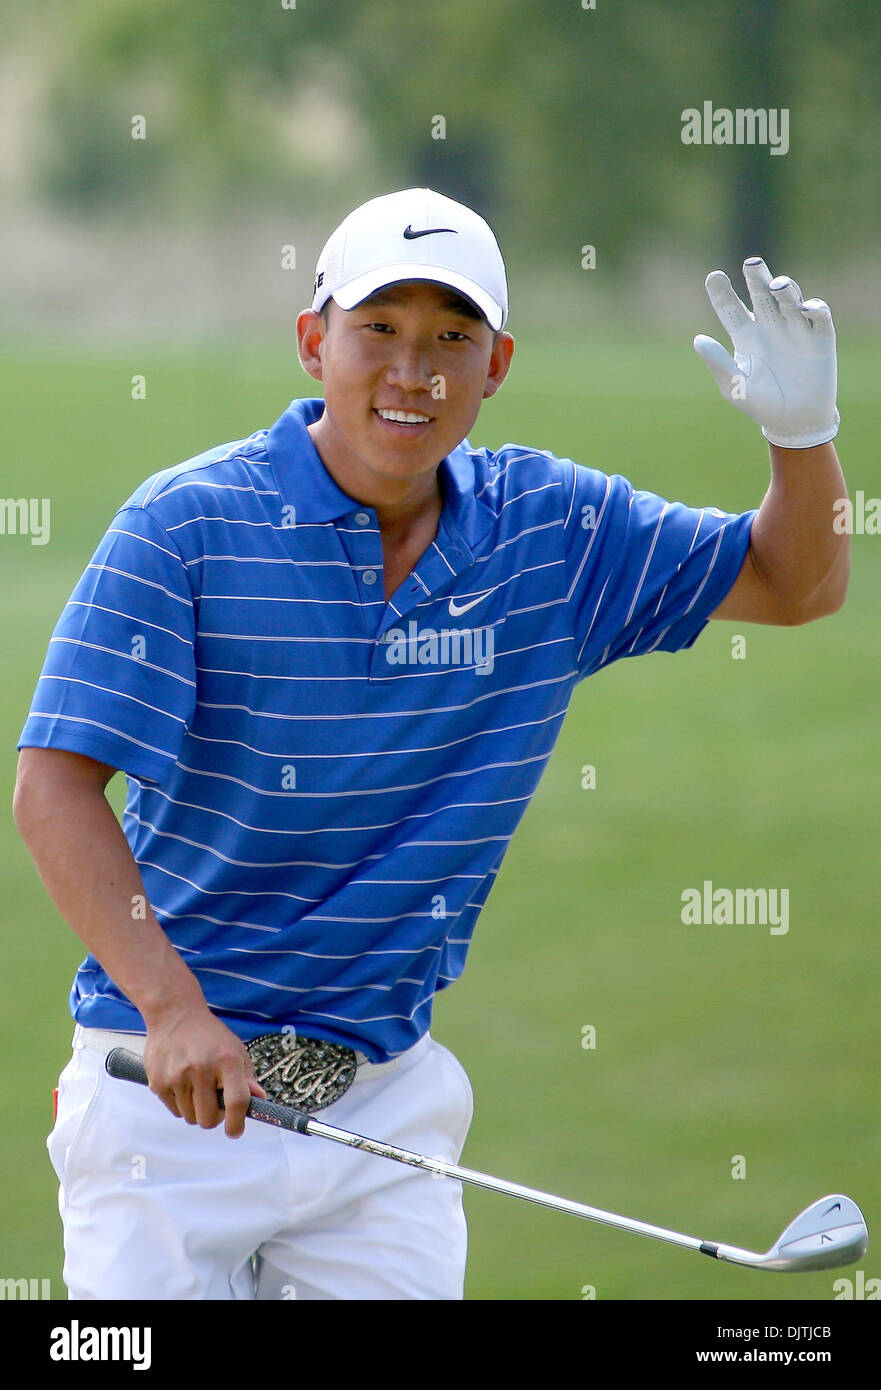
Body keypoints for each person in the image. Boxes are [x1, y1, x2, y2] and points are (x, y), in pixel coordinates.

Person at [13, 187, 848, 1301]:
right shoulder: (185, 526)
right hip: (166, 1092)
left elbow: (795, 584)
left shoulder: (552, 530)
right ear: (313, 341)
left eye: (451, 338)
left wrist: (801, 440)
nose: (412, 371)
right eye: (378, 329)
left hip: (384, 1103)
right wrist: (169, 1006)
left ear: (495, 364)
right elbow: (53, 787)